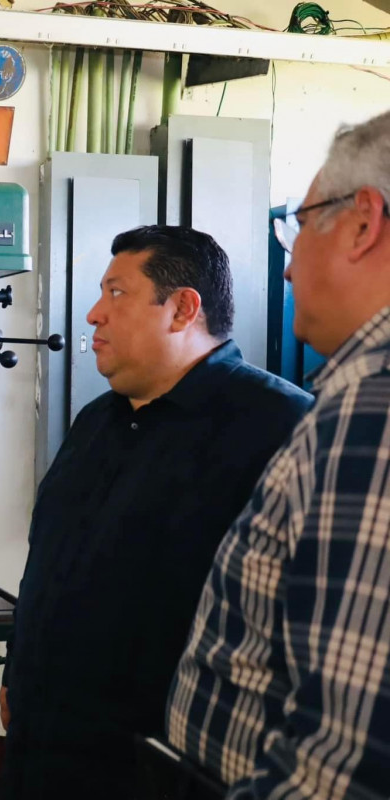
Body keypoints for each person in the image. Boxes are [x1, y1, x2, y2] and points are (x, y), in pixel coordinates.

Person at [0, 226, 312, 798]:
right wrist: (17, 671)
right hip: (44, 742)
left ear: (183, 309)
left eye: (117, 293)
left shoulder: (282, 427)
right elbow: (48, 559)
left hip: (163, 762)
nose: (94, 314)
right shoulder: (96, 421)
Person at [167, 110, 390, 798]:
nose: (287, 266)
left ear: (363, 223)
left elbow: (343, 765)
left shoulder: (372, 415)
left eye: (300, 225)